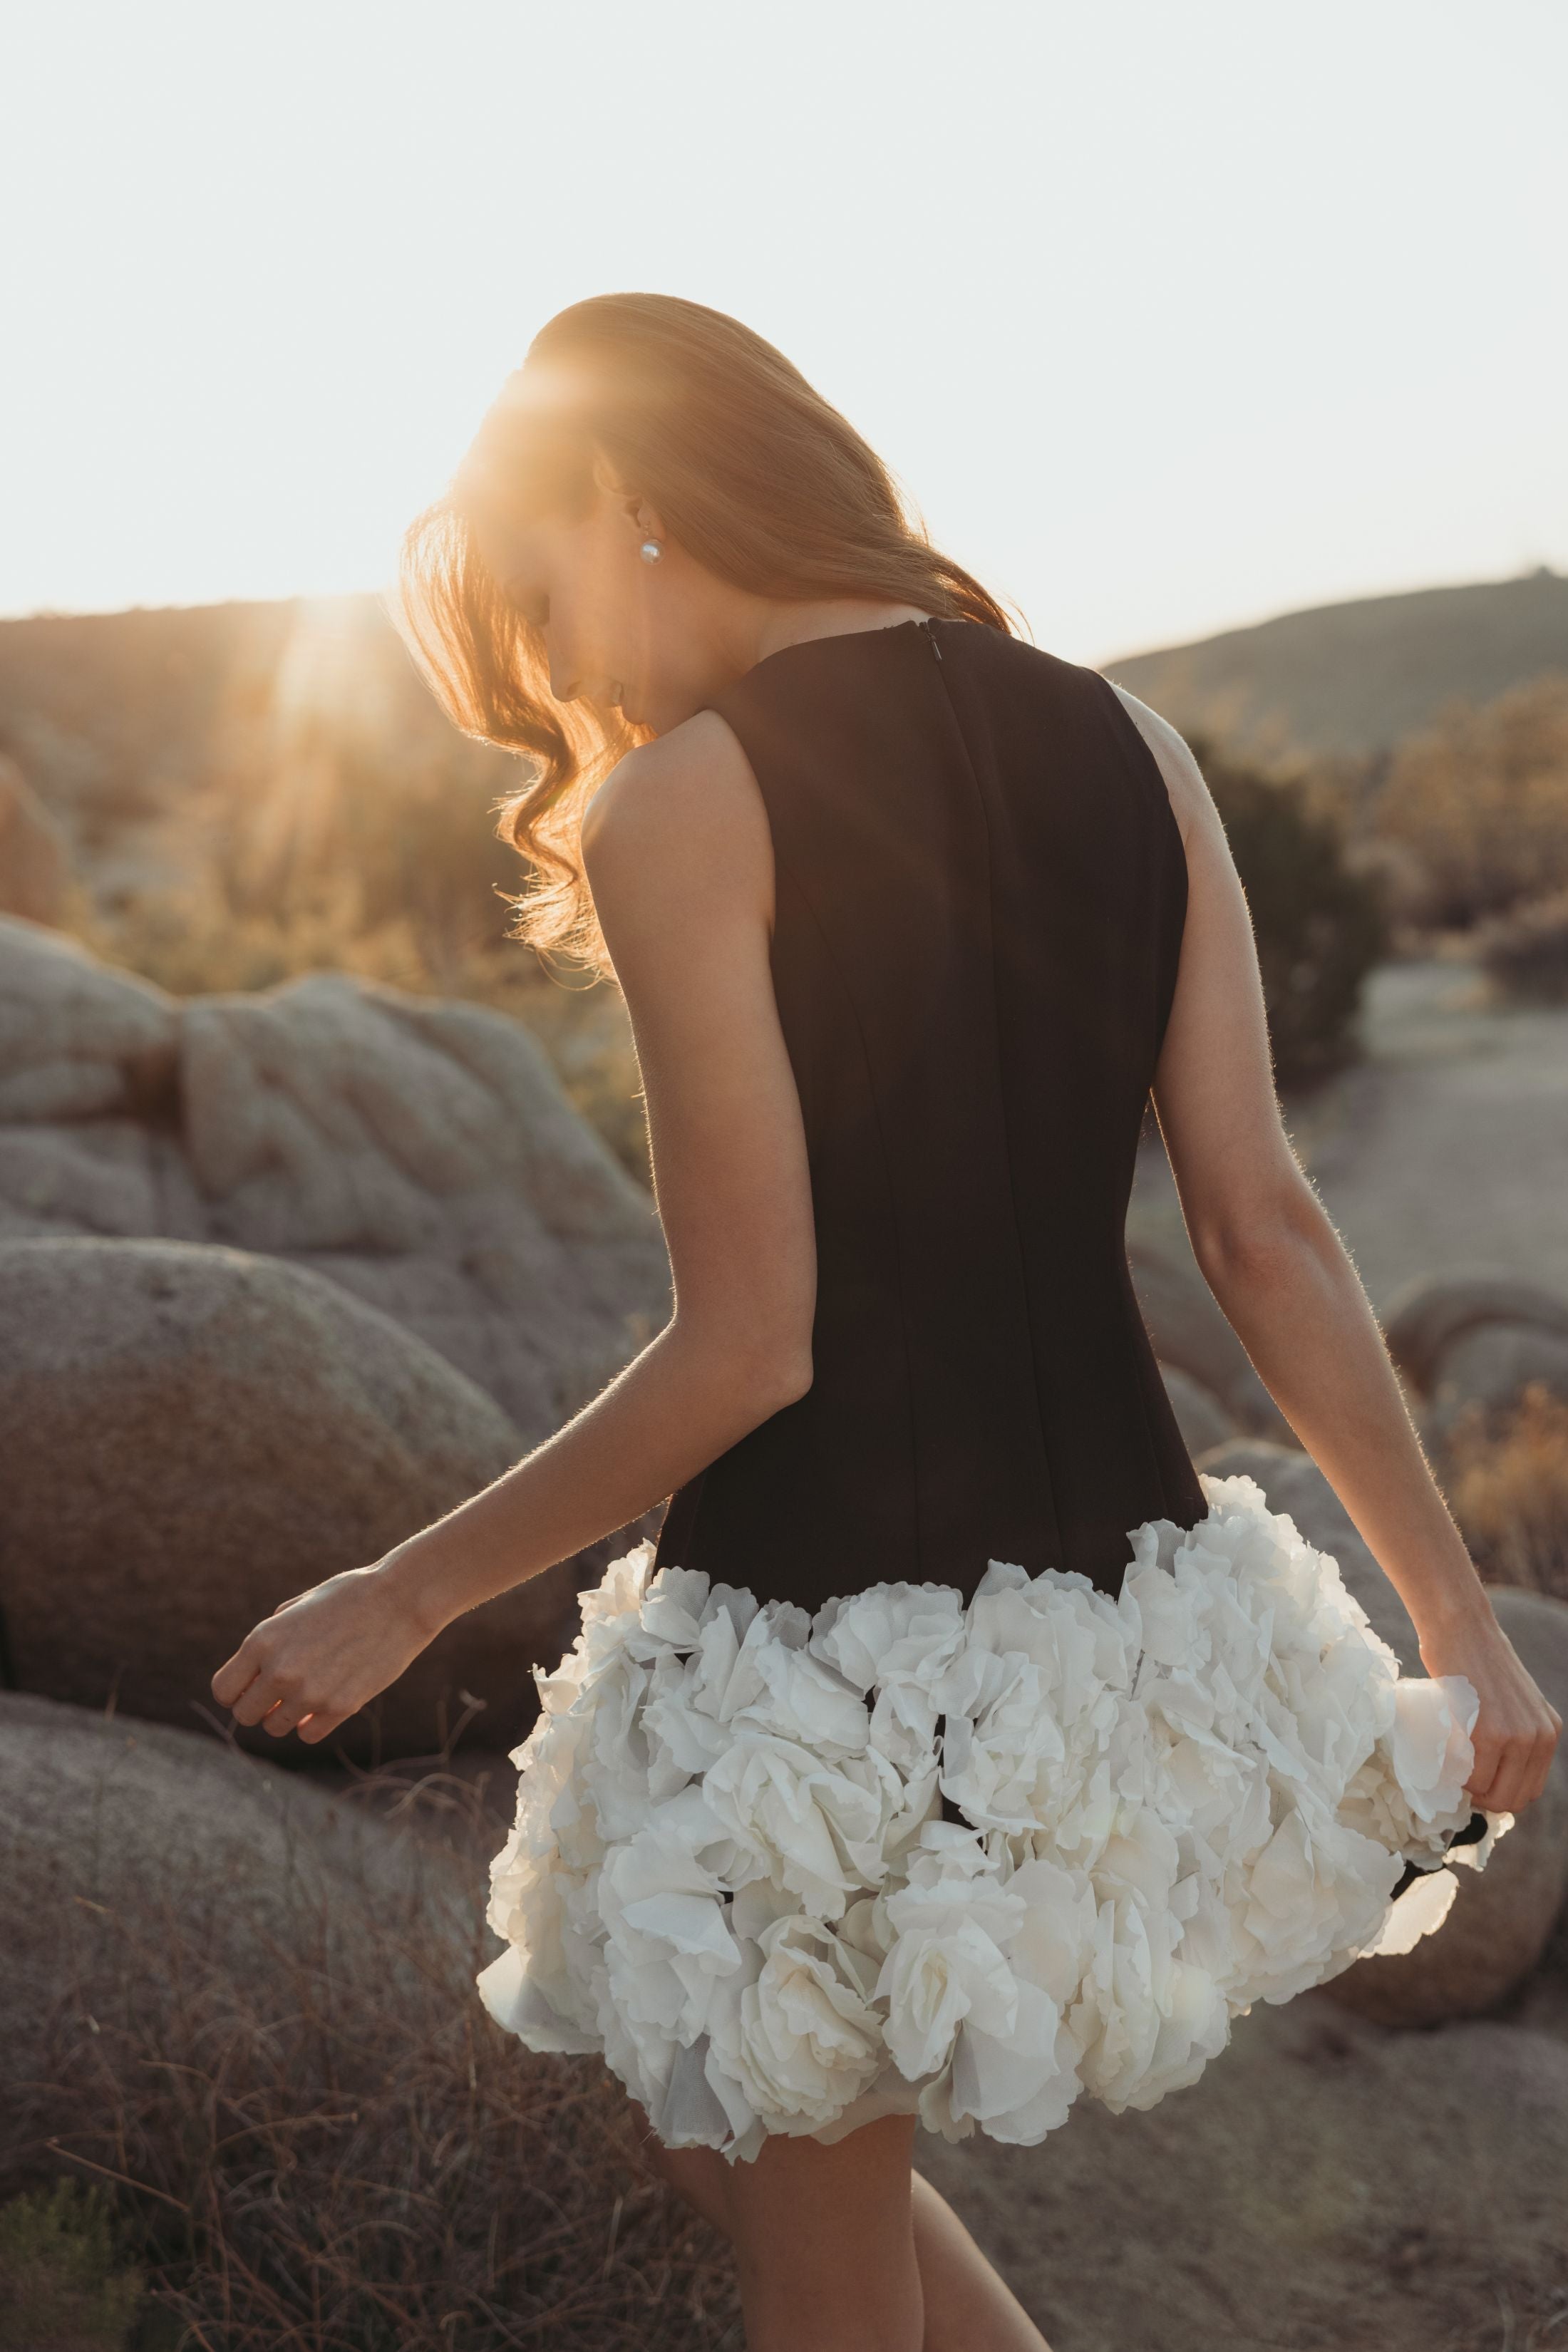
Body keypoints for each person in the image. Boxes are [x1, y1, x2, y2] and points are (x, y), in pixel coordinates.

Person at [211, 292, 1561, 2352]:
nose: (565, 671)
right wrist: (1451, 1609)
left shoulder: (691, 802)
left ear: (624, 493)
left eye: (548, 601)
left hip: (817, 1649)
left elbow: (754, 1340)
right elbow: (1261, 1224)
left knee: (812, 2269)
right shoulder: (1139, 745)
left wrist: (409, 1591)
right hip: (1109, 1619)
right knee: (742, 2148)